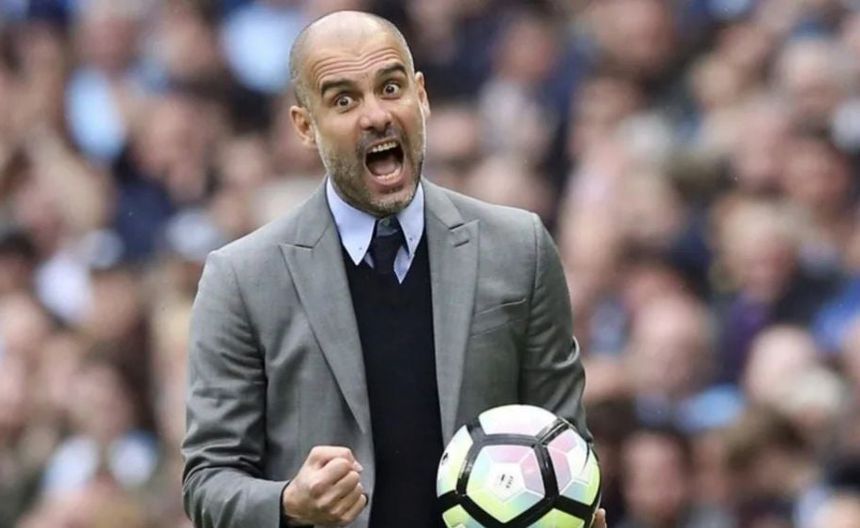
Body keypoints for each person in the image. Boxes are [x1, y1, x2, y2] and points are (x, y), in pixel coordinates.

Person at [182, 10, 606, 528]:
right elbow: (208, 480)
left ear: (421, 97)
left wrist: (574, 508)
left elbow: (566, 443)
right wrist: (290, 501)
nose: (376, 116)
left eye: (390, 88)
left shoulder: (520, 248)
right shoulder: (241, 279)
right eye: (343, 100)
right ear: (304, 126)